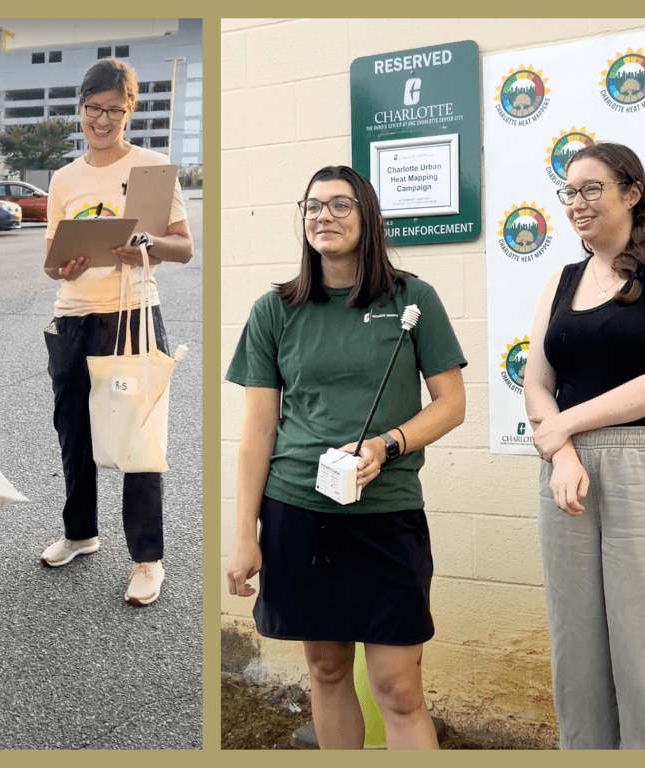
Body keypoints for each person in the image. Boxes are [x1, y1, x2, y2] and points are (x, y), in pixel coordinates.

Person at [224, 165, 466, 749]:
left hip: (386, 514)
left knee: (399, 688)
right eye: (312, 206)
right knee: (327, 670)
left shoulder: (414, 300)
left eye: (339, 205)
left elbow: (451, 404)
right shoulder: (274, 310)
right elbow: (257, 432)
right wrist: (244, 534)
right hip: (299, 515)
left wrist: (388, 445)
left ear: (368, 218)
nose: (323, 217)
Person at [524, 142, 645, 749]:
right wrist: (561, 448)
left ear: (632, 193)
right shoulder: (560, 280)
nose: (577, 203)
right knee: (577, 649)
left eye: (592, 188)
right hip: (565, 472)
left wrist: (567, 425)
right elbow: (537, 383)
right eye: (569, 191)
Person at [40, 58, 193, 606]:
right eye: (92, 109)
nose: (102, 121)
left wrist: (147, 247)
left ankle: (147, 559)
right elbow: (51, 264)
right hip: (75, 313)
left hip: (133, 313)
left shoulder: (153, 169)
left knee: (137, 437)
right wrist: (68, 266)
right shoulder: (64, 178)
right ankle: (80, 533)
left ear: (131, 110)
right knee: (74, 431)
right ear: (79, 109)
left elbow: (182, 245)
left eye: (114, 110)